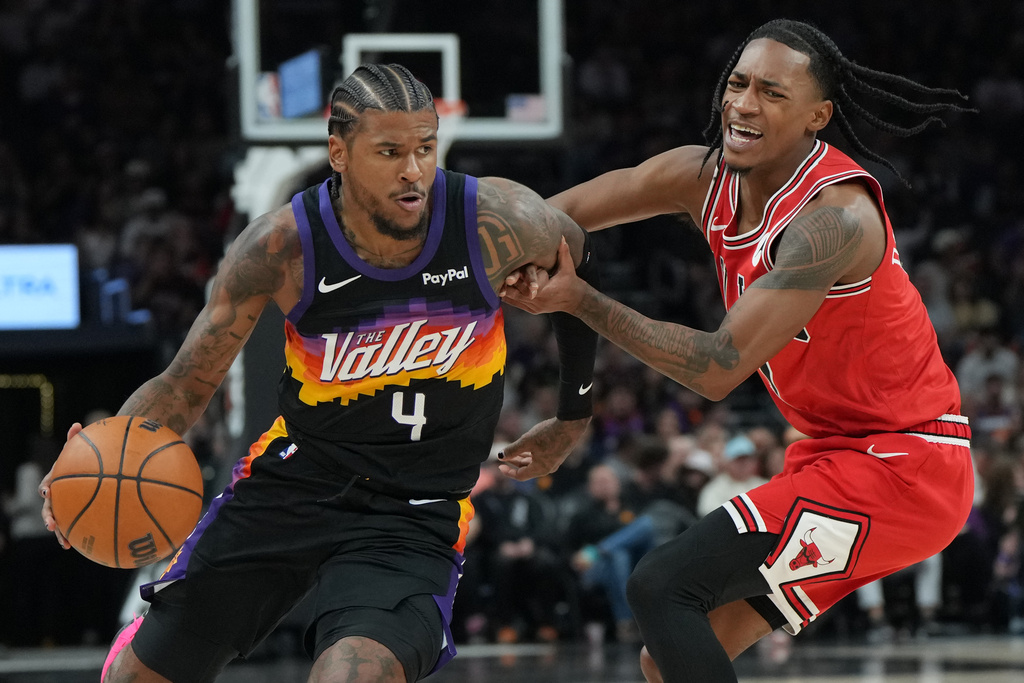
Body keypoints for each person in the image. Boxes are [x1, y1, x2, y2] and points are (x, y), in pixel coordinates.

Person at [38, 63, 599, 683]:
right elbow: (184, 385)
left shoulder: (494, 220)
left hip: (412, 509)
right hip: (293, 484)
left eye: (425, 148)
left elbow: (573, 250)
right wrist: (99, 456)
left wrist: (572, 415)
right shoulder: (281, 248)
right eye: (389, 152)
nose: (413, 170)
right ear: (338, 152)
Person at [499, 19, 975, 682]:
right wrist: (447, 249)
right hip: (841, 454)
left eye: (772, 93)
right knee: (669, 658)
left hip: (903, 464)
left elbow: (718, 368)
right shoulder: (701, 177)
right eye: (739, 83)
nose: (744, 102)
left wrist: (577, 299)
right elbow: (549, 221)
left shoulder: (834, 219)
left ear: (818, 116)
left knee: (661, 586)